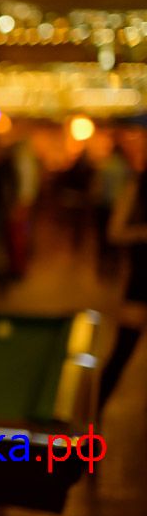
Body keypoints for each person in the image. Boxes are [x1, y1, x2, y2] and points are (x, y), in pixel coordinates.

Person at [100, 166, 147, 411]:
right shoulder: (136, 187)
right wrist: (142, 232)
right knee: (122, 352)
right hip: (141, 281)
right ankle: (91, 415)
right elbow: (114, 231)